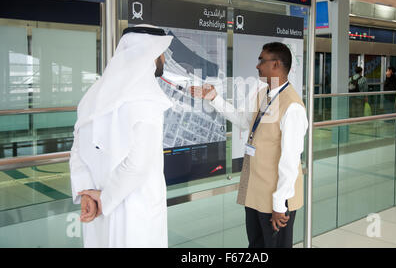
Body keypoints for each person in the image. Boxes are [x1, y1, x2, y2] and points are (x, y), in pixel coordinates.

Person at [190, 42, 308, 248]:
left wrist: (280, 204)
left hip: (275, 198)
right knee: (256, 245)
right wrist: (214, 98)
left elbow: (290, 159)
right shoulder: (263, 93)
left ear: (276, 65)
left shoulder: (293, 107)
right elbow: (244, 121)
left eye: (262, 60)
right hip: (256, 192)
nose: (257, 66)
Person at [69, 25, 174, 247]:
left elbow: (78, 151)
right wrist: (104, 199)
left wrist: (87, 193)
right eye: (162, 52)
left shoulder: (93, 96)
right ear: (151, 53)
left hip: (98, 210)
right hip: (135, 211)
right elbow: (138, 165)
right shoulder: (147, 98)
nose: (164, 58)